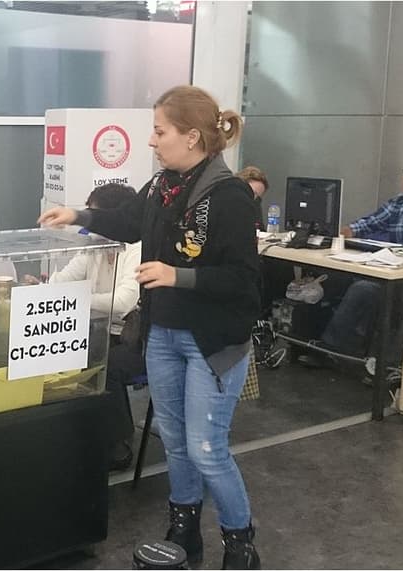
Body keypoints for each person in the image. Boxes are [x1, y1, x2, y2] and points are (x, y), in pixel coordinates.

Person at [39, 85, 262, 570]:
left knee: (206, 448)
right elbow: (128, 221)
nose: (151, 141)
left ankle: (240, 544)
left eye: (160, 132)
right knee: (176, 443)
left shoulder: (230, 196)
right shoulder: (163, 185)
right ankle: (184, 530)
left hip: (212, 342)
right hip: (163, 334)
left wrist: (178, 276)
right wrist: (77, 214)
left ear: (192, 136)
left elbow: (244, 281)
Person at [33, 183, 143, 471]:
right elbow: (61, 282)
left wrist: (77, 299)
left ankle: (118, 443)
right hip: (103, 331)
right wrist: (38, 292)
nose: (90, 223)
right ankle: (79, 432)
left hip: (137, 339)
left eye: (95, 215)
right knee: (68, 353)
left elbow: (124, 302)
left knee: (106, 365)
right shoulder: (93, 246)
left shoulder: (137, 248)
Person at [299, 153, 403, 366]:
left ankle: (380, 364)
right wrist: (333, 231)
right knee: (350, 283)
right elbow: (364, 225)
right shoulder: (398, 203)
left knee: (382, 292)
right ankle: (329, 349)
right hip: (392, 272)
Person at [237, 165, 269, 231]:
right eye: (253, 193)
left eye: (258, 196)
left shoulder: (255, 202)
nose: (254, 198)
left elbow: (260, 228)